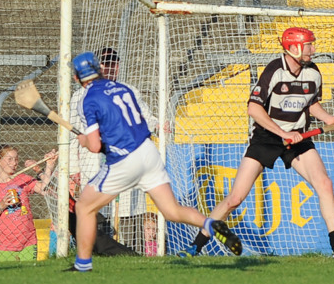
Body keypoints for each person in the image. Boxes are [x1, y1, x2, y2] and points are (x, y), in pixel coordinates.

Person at [182, 27, 334, 259]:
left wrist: (328, 118)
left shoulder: (314, 72)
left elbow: (310, 102)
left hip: (298, 138)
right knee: (234, 199)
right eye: (309, 45)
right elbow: (253, 108)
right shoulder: (274, 70)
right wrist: (281, 133)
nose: (313, 49)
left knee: (324, 184)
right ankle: (195, 246)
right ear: (294, 47)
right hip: (267, 138)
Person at [68, 52, 241, 272]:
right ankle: (210, 223)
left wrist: (84, 140)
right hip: (148, 152)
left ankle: (82, 265)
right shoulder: (125, 88)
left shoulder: (87, 99)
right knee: (172, 211)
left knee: (84, 206)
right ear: (99, 69)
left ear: (76, 78)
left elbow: (94, 146)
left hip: (125, 160)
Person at [69, 47, 156, 252]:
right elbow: (74, 139)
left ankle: (134, 258)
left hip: (127, 163)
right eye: (106, 63)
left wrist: (159, 125)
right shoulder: (80, 97)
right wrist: (74, 170)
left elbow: (145, 119)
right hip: (94, 167)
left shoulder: (128, 90)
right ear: (98, 67)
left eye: (114, 63)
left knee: (130, 218)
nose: (110, 67)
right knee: (97, 218)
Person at [0, 143, 58, 261]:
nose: (14, 163)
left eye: (16, 159)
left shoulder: (23, 179)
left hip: (28, 241)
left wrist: (49, 165)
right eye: (9, 159)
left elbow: (45, 190)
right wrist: (1, 205)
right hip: (5, 245)